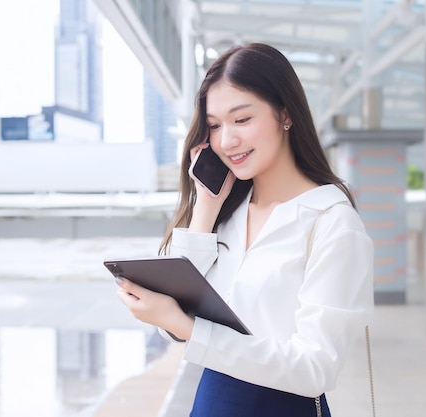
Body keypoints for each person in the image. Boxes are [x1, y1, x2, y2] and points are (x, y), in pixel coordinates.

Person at [115, 42, 374, 416]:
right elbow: (170, 324)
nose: (226, 141)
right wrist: (205, 206)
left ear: (284, 114)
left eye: (242, 120)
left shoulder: (332, 221)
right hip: (212, 403)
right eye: (215, 126)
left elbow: (315, 368)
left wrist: (190, 329)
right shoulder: (227, 214)